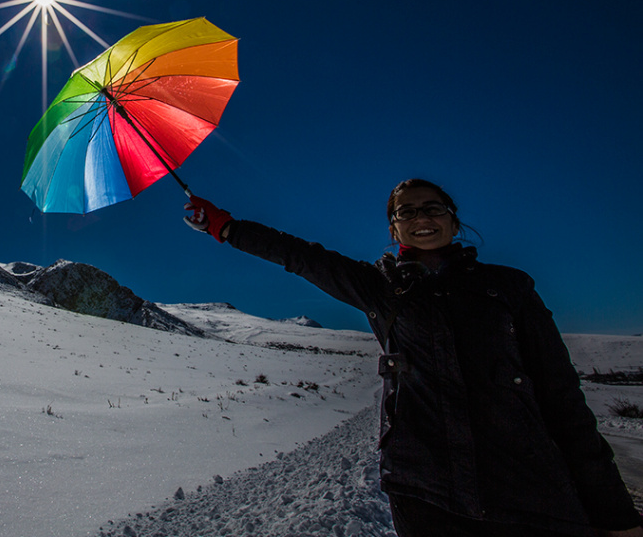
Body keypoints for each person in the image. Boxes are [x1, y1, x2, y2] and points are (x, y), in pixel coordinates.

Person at [184, 179, 643, 537]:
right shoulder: (381, 287)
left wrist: (613, 511)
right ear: (393, 228)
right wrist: (224, 227)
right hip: (425, 492)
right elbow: (301, 257)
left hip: (528, 491)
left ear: (453, 220)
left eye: (432, 208)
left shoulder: (509, 287)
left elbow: (563, 399)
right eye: (407, 212)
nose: (421, 218)